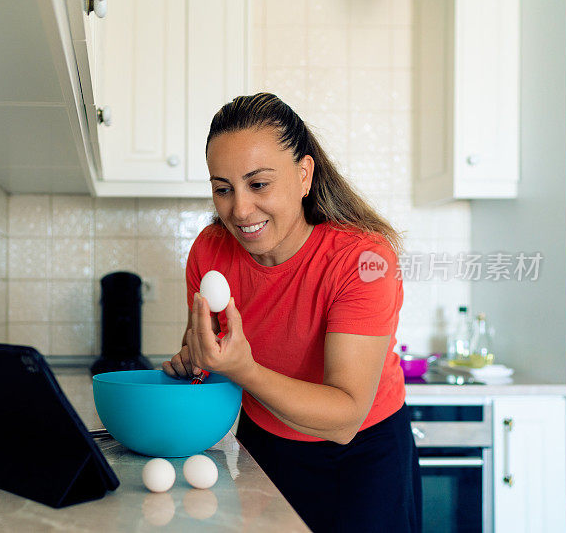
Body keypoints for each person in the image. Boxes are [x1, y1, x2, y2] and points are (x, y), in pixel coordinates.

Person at [162, 93, 422, 533]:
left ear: (304, 175)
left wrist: (242, 370)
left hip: (363, 456)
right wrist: (198, 366)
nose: (239, 210)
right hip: (266, 445)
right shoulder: (209, 251)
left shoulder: (362, 260)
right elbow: (209, 356)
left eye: (258, 184)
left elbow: (344, 418)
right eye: (222, 189)